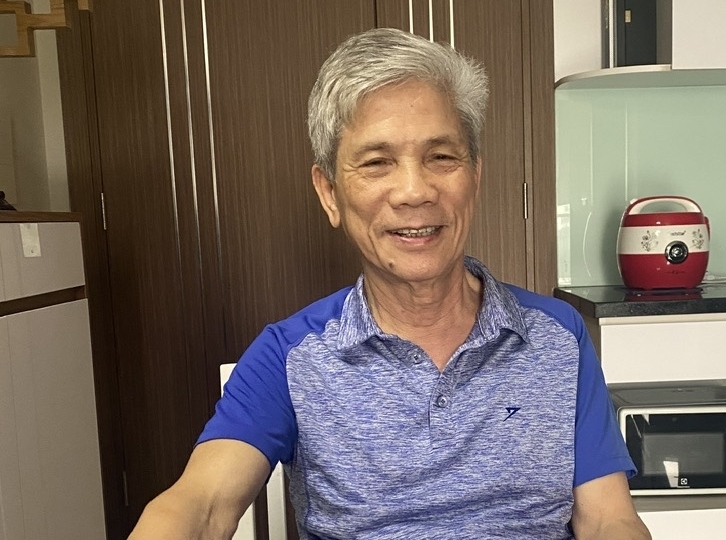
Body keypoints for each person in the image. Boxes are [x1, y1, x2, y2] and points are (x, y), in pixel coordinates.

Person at [128, 27, 652, 540]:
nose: (414, 191)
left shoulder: (557, 335)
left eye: (441, 157)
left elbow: (608, 519)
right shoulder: (288, 356)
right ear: (329, 193)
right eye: (377, 163)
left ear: (474, 176)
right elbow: (200, 506)